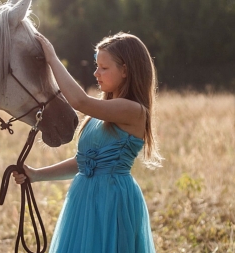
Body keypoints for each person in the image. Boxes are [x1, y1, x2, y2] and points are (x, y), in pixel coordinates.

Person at [13, 32, 163, 252]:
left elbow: (79, 101)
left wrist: (52, 60)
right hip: (84, 198)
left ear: (125, 70)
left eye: (104, 68)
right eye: (96, 66)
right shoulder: (99, 115)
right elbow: (83, 162)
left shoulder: (134, 110)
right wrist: (36, 175)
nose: (96, 73)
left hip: (111, 200)